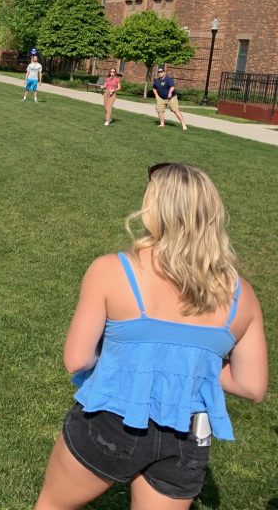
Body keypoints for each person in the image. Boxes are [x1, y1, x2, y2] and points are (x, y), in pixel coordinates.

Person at [35, 163, 268, 509]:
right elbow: (251, 385)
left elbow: (77, 358)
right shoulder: (240, 294)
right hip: (187, 435)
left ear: (154, 210)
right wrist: (187, 361)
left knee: (53, 504)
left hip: (110, 420)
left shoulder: (111, 271)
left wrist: (142, 355)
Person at [152, 65, 188, 131]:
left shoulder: (168, 79)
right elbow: (154, 88)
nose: (160, 73)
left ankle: (183, 124)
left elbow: (172, 87)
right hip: (161, 98)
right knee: (160, 111)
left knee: (175, 110)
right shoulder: (156, 81)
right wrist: (156, 96)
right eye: (159, 72)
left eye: (161, 72)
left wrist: (170, 93)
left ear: (164, 72)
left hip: (171, 98)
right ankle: (162, 124)